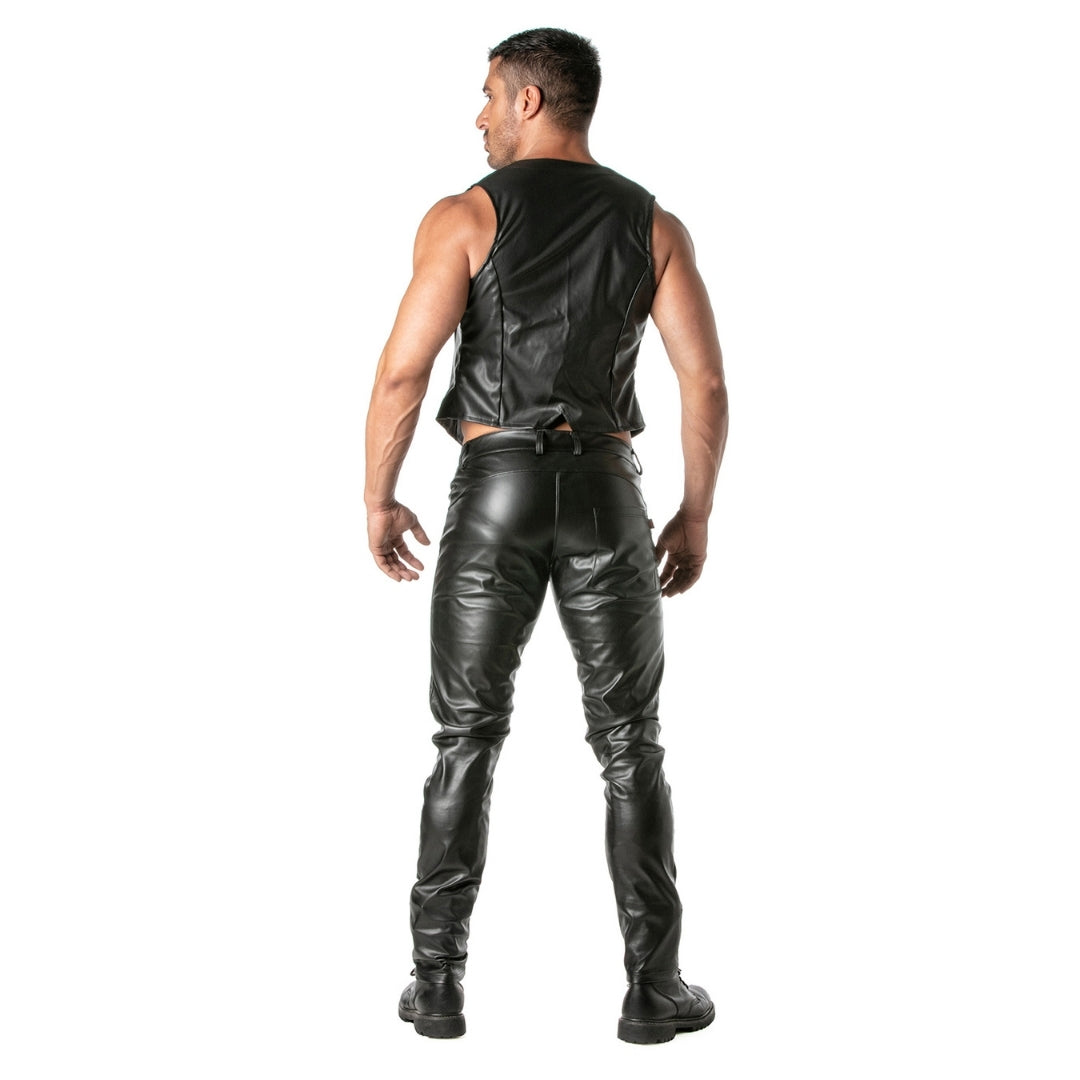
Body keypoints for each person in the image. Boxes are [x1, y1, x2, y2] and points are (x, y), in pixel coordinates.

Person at [365, 28, 728, 1044]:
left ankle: (437, 985)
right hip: (607, 492)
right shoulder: (654, 225)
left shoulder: (464, 216)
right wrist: (696, 511)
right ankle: (653, 989)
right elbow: (704, 380)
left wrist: (378, 498)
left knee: (465, 738)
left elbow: (403, 372)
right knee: (629, 743)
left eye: (489, 94)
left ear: (529, 100)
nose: (479, 114)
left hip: (497, 491)